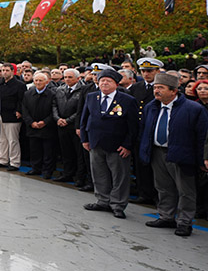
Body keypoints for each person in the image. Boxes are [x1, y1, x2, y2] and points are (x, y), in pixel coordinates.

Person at [139, 72, 208, 237]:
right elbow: (144, 131)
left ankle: (185, 222)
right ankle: (166, 216)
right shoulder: (151, 107)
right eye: (155, 87)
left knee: (185, 190)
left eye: (160, 88)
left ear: (174, 90)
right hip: (157, 152)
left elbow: (202, 136)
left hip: (182, 154)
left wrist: (201, 159)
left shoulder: (193, 109)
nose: (156, 91)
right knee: (163, 187)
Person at [79, 68, 140, 219]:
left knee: (119, 176)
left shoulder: (127, 100)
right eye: (102, 81)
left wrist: (127, 145)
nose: (104, 83)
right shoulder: (92, 97)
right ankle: (102, 200)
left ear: (116, 83)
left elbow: (133, 126)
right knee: (99, 173)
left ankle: (118, 204)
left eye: (108, 81)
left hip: (117, 145)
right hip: (96, 142)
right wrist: (85, 139)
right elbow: (84, 118)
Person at [128, 57, 164, 204]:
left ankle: (157, 196)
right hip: (139, 132)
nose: (146, 74)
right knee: (140, 165)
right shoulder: (136, 88)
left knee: (157, 168)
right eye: (143, 71)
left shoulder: (163, 88)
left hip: (154, 132)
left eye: (150, 71)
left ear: (157, 71)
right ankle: (144, 193)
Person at [54, 69, 89, 188]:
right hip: (61, 125)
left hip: (74, 126)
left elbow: (81, 110)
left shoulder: (83, 90)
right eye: (65, 77)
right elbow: (54, 105)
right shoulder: (60, 89)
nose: (67, 79)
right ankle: (67, 173)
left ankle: (80, 177)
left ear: (78, 78)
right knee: (66, 151)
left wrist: (68, 120)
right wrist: (57, 118)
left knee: (79, 154)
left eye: (70, 77)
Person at [22, 70, 58, 178]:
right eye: (36, 80)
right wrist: (31, 122)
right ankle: (35, 168)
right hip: (32, 127)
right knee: (35, 149)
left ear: (46, 82)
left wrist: (45, 122)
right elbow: (24, 109)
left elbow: (54, 111)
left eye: (40, 81)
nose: (38, 83)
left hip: (47, 128)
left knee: (48, 151)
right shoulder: (28, 94)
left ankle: (47, 170)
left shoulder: (52, 94)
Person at [0, 63, 24, 170]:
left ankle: (14, 162)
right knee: (2, 139)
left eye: (7, 70)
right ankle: (3, 159)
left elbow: (21, 100)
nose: (4, 72)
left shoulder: (19, 85)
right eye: (3, 70)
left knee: (12, 140)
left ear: (13, 71)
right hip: (0, 113)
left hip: (12, 115)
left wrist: (19, 110)